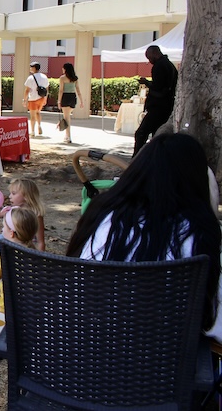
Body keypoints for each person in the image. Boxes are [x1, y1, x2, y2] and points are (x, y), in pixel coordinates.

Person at [66, 132, 222, 341]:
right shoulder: (197, 232)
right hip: (157, 354)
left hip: (82, 344)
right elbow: (209, 320)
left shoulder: (101, 213)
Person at [0, 178, 46, 256]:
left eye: (13, 193)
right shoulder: (13, 210)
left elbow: (40, 242)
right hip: (6, 238)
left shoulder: (36, 215)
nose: (10, 196)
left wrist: (39, 258)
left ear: (26, 196)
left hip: (21, 247)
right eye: (10, 193)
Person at [134, 45, 178, 156]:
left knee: (141, 133)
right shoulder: (169, 65)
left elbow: (159, 88)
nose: (149, 61)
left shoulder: (160, 66)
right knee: (157, 134)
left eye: (149, 58)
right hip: (166, 106)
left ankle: (137, 157)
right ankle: (154, 157)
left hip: (158, 106)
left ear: (154, 53)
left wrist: (147, 83)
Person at [57, 62, 84, 144]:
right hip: (73, 97)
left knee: (66, 118)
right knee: (67, 116)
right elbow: (78, 90)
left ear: (65, 69)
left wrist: (59, 101)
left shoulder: (62, 78)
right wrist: (81, 101)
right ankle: (66, 135)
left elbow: (61, 90)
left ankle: (68, 137)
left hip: (65, 97)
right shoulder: (75, 78)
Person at [23, 62, 48, 136]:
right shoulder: (44, 76)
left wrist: (24, 99)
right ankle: (39, 126)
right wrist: (45, 98)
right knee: (38, 112)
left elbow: (27, 90)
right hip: (41, 98)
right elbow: (47, 88)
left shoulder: (30, 78)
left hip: (33, 98)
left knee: (32, 115)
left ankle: (33, 131)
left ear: (34, 68)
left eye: (31, 67)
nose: (30, 68)